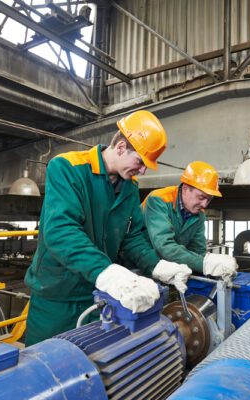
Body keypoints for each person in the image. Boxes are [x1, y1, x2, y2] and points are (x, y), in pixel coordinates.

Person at [24, 110, 192, 346]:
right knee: (43, 370)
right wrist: (107, 272)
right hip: (57, 296)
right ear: (121, 147)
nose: (143, 171)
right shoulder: (67, 168)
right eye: (140, 162)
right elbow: (61, 231)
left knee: (94, 368)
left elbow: (132, 237)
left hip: (99, 296)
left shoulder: (129, 187)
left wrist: (158, 266)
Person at [141, 161, 238, 286]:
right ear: (186, 189)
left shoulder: (199, 215)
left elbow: (198, 250)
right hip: (140, 268)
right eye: (201, 197)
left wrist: (213, 265)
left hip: (170, 274)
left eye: (208, 200)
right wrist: (205, 264)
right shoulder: (159, 200)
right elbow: (164, 246)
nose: (204, 205)